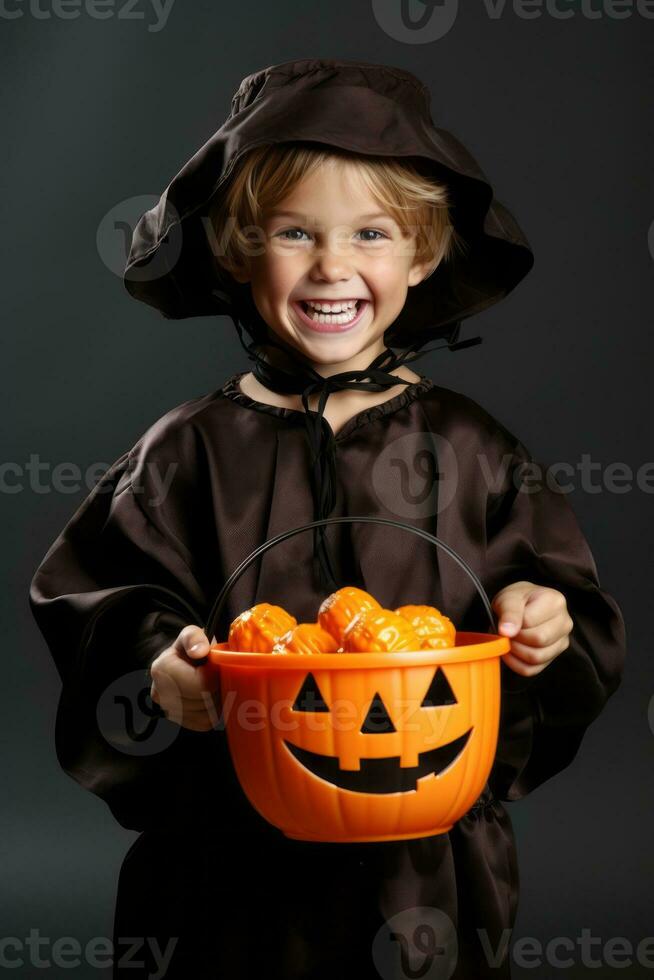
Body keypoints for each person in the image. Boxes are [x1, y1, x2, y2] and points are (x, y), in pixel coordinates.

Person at [29, 58, 626, 979]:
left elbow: (569, 619)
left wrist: (544, 621)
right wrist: (160, 669)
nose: (333, 266)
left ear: (423, 254)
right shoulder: (185, 453)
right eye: (295, 232)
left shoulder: (474, 451)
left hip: (424, 872)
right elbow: (99, 601)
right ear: (237, 248)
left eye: (373, 233)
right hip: (229, 873)